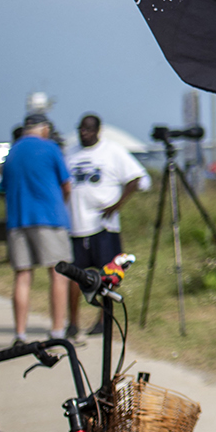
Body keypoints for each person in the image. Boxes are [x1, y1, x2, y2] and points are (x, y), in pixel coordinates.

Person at [65, 114, 149, 333]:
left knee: (106, 274)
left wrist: (116, 205)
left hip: (104, 227)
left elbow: (135, 178)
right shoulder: (70, 154)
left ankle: (103, 321)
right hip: (76, 225)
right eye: (81, 129)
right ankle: (72, 323)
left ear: (98, 131)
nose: (84, 133)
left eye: (89, 129)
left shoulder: (112, 151)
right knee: (74, 276)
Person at [0, 113, 72, 343]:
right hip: (49, 217)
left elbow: (3, 187)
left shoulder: (12, 152)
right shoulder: (50, 148)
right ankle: (57, 330)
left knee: (22, 275)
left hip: (18, 219)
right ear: (44, 129)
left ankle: (20, 332)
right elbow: (67, 184)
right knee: (59, 273)